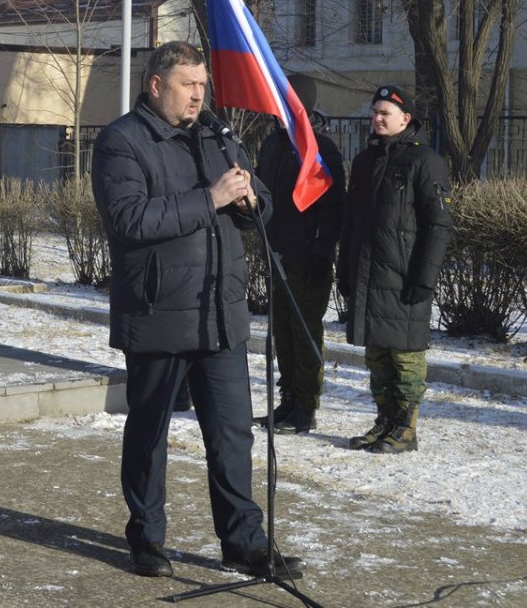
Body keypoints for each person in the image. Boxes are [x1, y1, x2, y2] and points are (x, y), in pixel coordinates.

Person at [91, 40, 303, 580]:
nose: (198, 95)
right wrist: (210, 198)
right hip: (158, 312)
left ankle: (244, 541)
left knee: (233, 434)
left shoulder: (217, 134)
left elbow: (258, 201)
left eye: (202, 85)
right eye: (188, 84)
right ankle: (147, 537)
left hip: (220, 312)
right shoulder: (121, 141)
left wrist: (254, 200)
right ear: (156, 84)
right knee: (150, 433)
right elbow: (129, 220)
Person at [337, 84, 452, 454]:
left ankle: (405, 428)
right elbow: (351, 221)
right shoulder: (365, 161)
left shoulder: (425, 161)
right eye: (374, 113)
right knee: (378, 356)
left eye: (385, 113)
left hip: (404, 279)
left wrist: (425, 278)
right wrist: (345, 269)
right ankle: (384, 421)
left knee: (405, 356)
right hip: (369, 277)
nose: (377, 119)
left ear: (406, 119)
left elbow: (438, 225)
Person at [254, 72, 346, 434]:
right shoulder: (273, 145)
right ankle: (288, 398)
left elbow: (334, 206)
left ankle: (306, 405)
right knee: (283, 333)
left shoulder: (320, 148)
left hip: (309, 258)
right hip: (277, 254)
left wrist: (323, 252)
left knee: (305, 331)